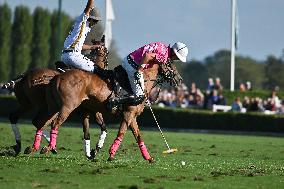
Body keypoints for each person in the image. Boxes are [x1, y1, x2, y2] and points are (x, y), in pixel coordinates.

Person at [111, 42, 189, 106]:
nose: (176, 59)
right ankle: (115, 101)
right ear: (175, 54)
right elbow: (147, 56)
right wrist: (140, 71)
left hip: (128, 59)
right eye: (177, 58)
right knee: (140, 97)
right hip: (133, 66)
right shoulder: (163, 56)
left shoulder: (162, 46)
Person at [61, 0, 102, 72]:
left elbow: (79, 46)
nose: (95, 23)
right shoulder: (83, 20)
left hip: (65, 55)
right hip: (73, 56)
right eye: (95, 20)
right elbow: (89, 6)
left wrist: (92, 47)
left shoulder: (83, 28)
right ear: (90, 17)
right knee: (97, 70)